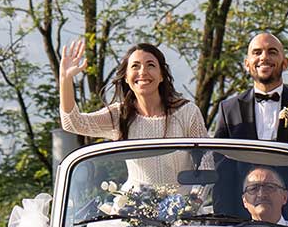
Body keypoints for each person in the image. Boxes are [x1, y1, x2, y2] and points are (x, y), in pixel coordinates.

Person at [59, 40, 207, 189]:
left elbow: (206, 161)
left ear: (162, 75)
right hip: (133, 201)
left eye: (151, 65)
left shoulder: (187, 112)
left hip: (183, 202)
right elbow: (73, 123)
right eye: (135, 66)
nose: (143, 72)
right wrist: (65, 78)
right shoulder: (120, 114)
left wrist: (195, 198)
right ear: (126, 76)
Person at [209, 31, 288, 161]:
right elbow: (218, 162)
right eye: (257, 52)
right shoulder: (229, 109)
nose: (264, 57)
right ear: (247, 64)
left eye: (272, 52)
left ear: (285, 63)